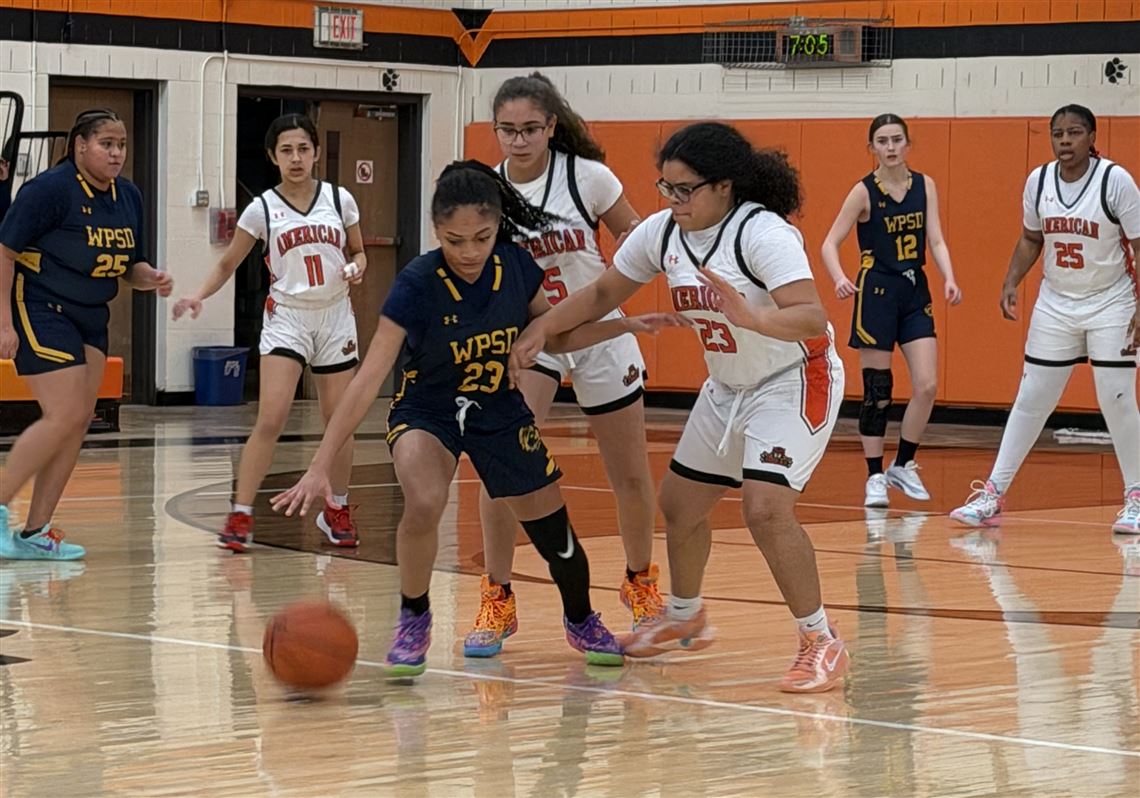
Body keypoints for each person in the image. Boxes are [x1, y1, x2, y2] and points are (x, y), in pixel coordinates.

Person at [271, 160, 686, 677]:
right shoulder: (417, 282)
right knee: (424, 498)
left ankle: (580, 618)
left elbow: (551, 338)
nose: (468, 251)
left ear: (496, 227)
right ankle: (414, 617)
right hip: (427, 408)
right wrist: (320, 465)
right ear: (436, 231)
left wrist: (625, 324)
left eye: (480, 237)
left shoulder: (515, 268)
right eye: (454, 239)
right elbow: (366, 379)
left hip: (497, 408)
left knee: (555, 534)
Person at [510, 122, 850, 693]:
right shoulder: (662, 232)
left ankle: (821, 639)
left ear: (725, 186)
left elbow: (811, 318)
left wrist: (754, 317)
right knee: (680, 504)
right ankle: (684, 613)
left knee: (765, 510)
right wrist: (542, 328)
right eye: (664, 187)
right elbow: (598, 295)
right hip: (727, 385)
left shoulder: (762, 233)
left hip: (794, 377)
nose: (672, 200)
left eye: (684, 189)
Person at [465, 72, 661, 659]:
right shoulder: (486, 191)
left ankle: (640, 583)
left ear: (551, 126)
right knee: (502, 470)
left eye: (530, 129)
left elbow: (639, 238)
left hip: (599, 331)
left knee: (628, 473)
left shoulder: (588, 177)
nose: (518, 140)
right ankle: (497, 596)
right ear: (495, 130)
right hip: (533, 337)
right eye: (507, 130)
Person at [172, 114, 367, 552]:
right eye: (286, 150)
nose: (295, 158)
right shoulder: (261, 208)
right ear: (272, 157)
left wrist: (357, 268)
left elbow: (359, 251)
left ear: (316, 152)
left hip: (336, 316)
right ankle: (241, 513)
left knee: (340, 421)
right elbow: (228, 263)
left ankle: (336, 507)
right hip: (288, 318)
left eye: (303, 149)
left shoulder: (340, 200)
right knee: (271, 418)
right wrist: (200, 295)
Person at [951, 104, 1140, 533]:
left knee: (1116, 397)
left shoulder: (1115, 181)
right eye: (1058, 134)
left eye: (1074, 133)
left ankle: (1136, 496)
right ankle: (992, 493)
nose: (1065, 141)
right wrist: (1011, 280)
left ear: (1092, 136)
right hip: (1056, 302)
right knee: (1032, 397)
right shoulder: (1038, 181)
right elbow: (1031, 237)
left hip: (1112, 300)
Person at [0, 108, 172, 559]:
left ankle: (35, 531)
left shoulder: (128, 196)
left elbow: (130, 265)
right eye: (106, 144)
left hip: (92, 314)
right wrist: (2, 320)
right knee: (63, 414)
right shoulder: (49, 190)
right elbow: (4, 251)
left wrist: (150, 277)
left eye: (121, 145)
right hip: (40, 305)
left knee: (77, 423)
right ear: (80, 146)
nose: (116, 153)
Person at [821, 113, 962, 509]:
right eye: (882, 141)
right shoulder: (863, 192)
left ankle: (903, 463)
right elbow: (829, 242)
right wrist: (837, 278)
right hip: (876, 293)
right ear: (872, 148)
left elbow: (935, 239)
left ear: (907, 144)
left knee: (927, 385)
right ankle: (874, 476)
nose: (891, 147)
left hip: (914, 290)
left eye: (897, 139)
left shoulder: (925, 186)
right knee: (877, 392)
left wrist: (949, 277)